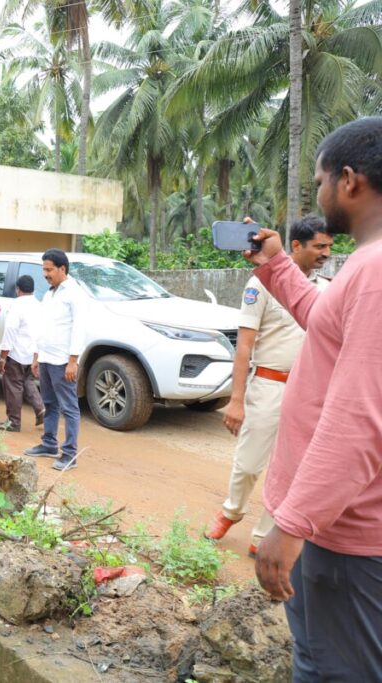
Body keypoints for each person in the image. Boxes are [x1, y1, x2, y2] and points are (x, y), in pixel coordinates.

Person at [244, 117, 382, 680]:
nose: (319, 193)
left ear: (349, 181)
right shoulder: (365, 266)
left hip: (344, 534)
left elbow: (359, 421)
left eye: (321, 179)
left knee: (330, 669)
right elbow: (326, 321)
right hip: (339, 523)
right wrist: (278, 264)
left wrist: (294, 523)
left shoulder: (374, 274)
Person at [205, 216, 332, 557]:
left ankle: (263, 535)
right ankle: (231, 511)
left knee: (292, 470)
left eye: (329, 247)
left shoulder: (327, 289)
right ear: (295, 246)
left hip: (307, 393)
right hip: (268, 385)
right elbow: (244, 346)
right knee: (248, 464)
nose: (326, 253)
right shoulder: (261, 283)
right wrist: (236, 400)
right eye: (319, 246)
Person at [28, 249, 85, 472]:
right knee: (49, 404)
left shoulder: (74, 294)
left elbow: (79, 328)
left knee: (69, 408)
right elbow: (43, 327)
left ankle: (70, 454)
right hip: (46, 358)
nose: (45, 274)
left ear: (62, 269)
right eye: (44, 269)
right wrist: (36, 356)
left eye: (49, 269)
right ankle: (49, 444)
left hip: (63, 360)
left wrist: (73, 361)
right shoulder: (50, 294)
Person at [0, 274, 45, 432]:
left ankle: (14, 422)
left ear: (18, 289)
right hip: (33, 354)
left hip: (16, 353)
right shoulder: (39, 305)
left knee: (13, 386)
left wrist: (3, 357)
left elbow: (10, 331)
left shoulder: (16, 306)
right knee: (28, 382)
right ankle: (41, 409)